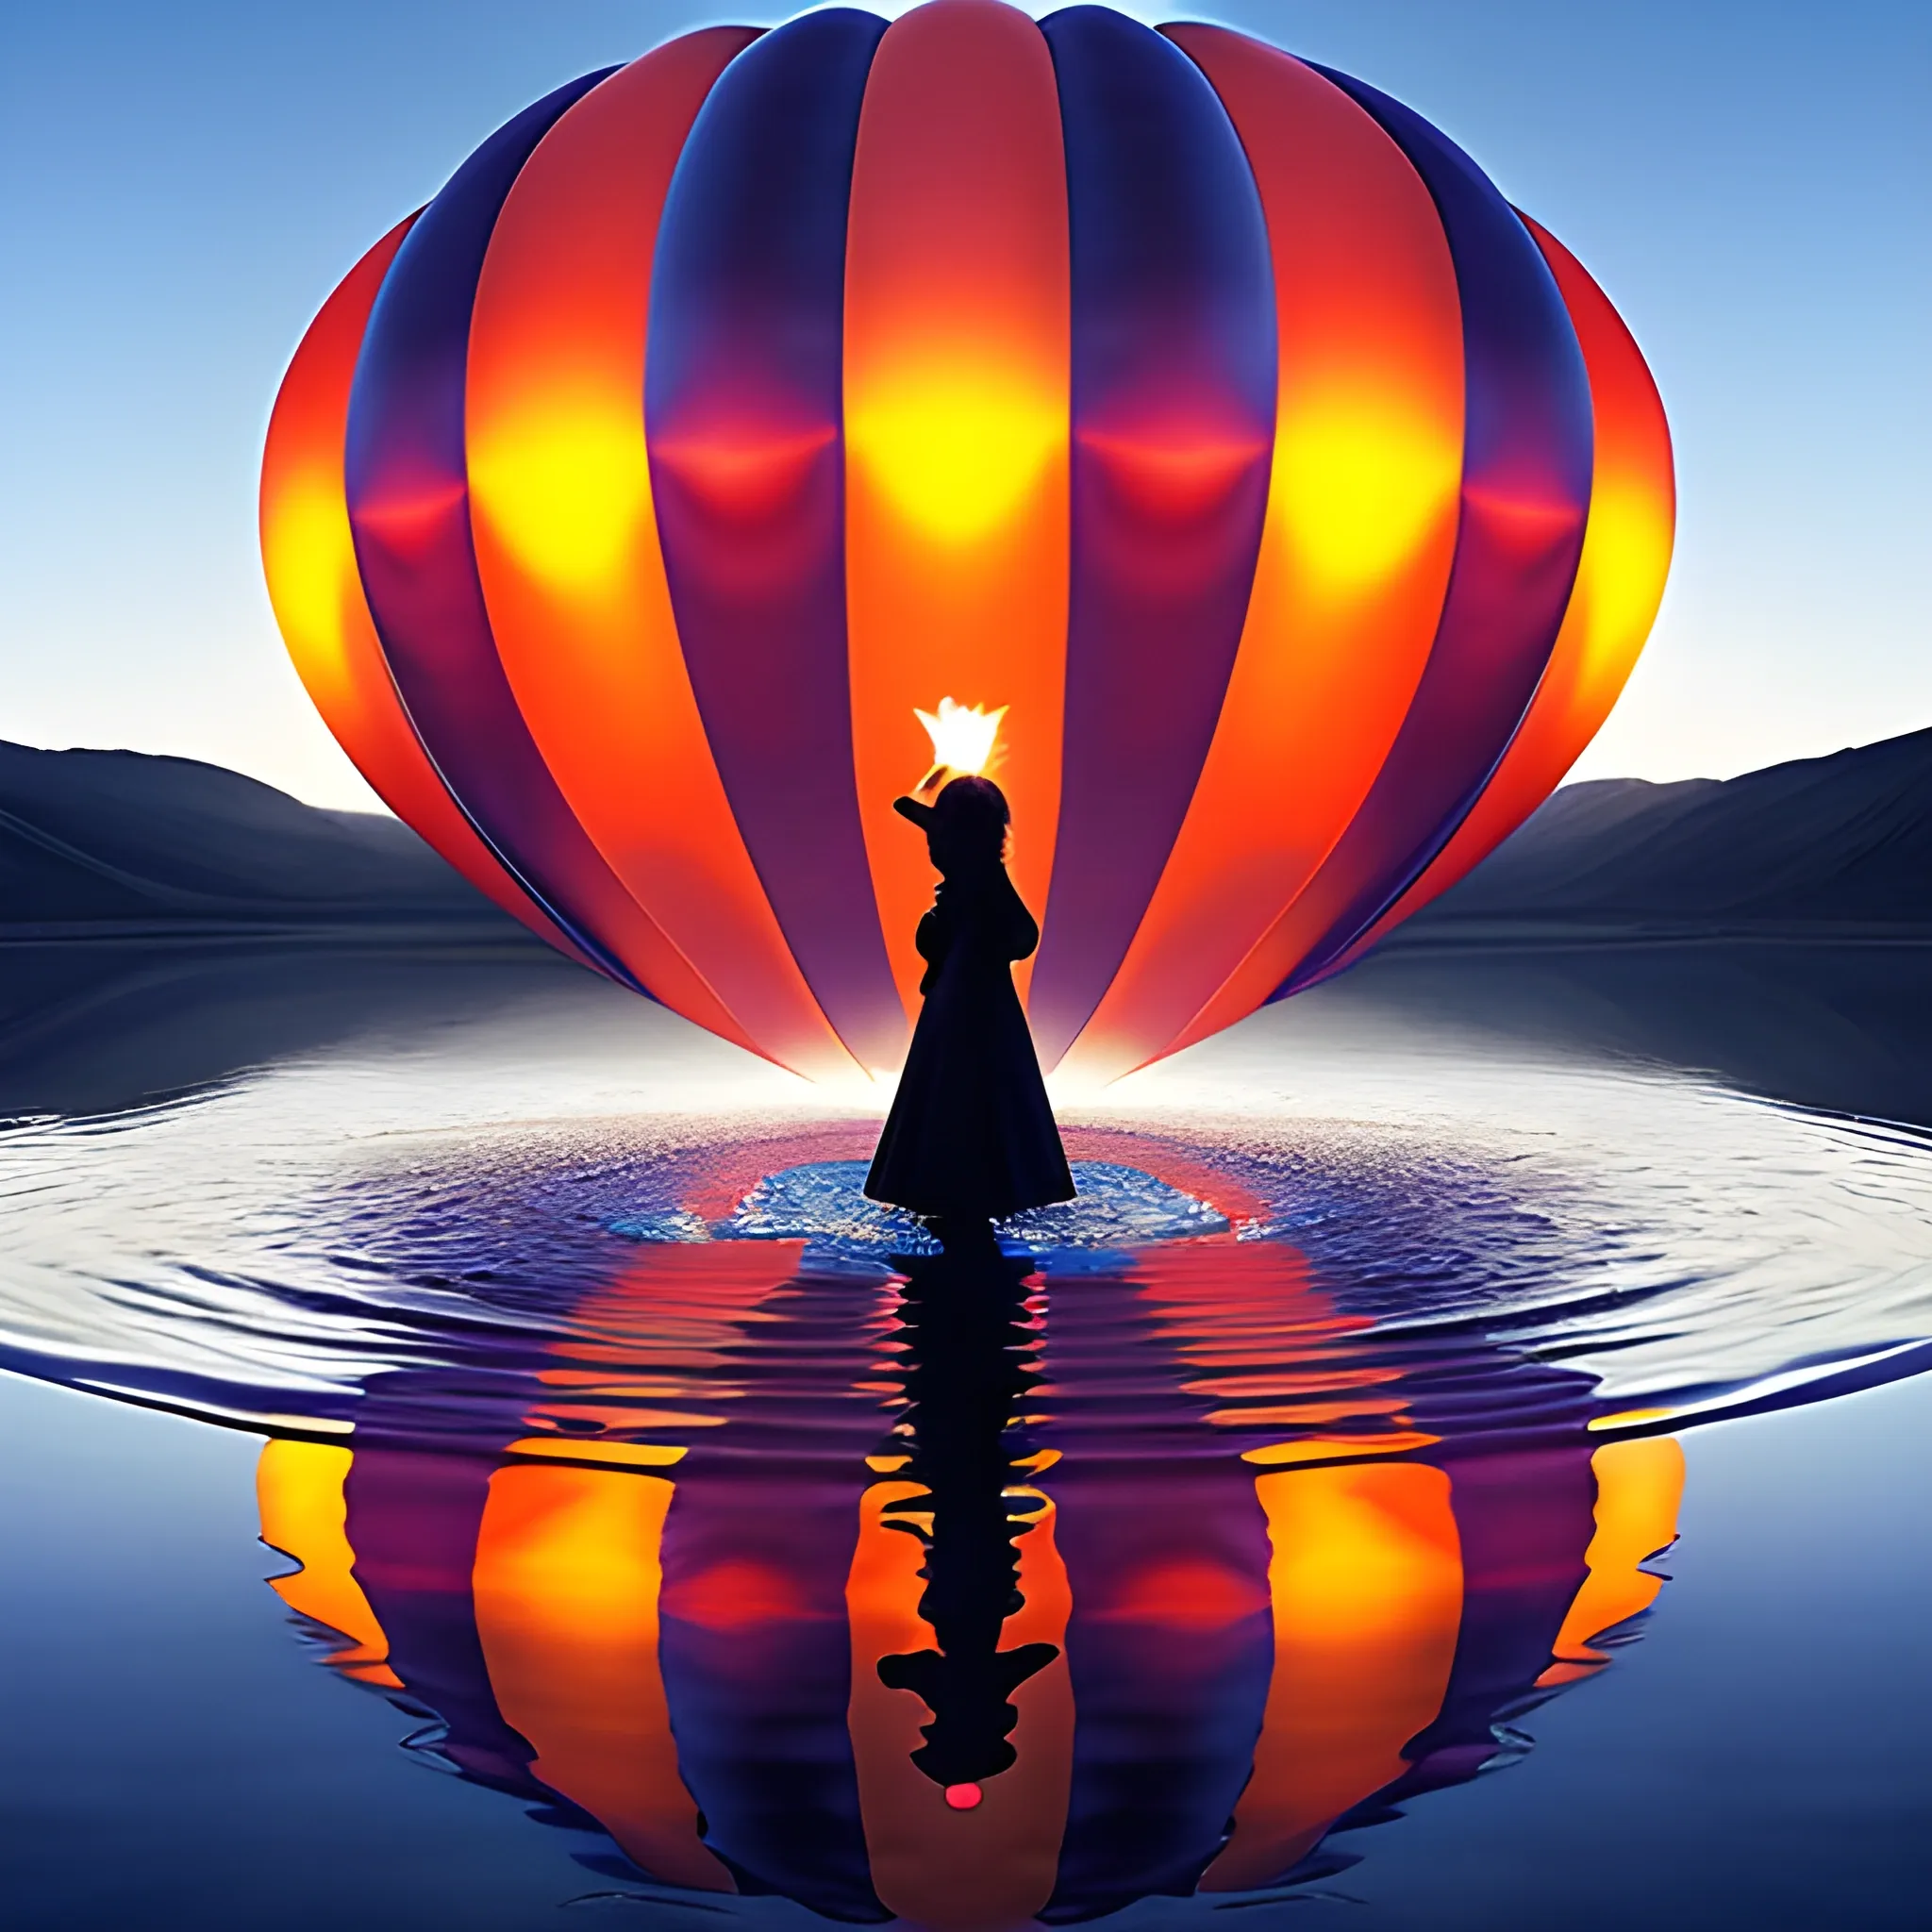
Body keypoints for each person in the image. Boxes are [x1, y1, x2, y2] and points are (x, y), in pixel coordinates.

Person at [865, 775, 1074, 1225]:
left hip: (972, 1016)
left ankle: (960, 1188)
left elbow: (1023, 937)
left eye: (938, 837)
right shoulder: (971, 889)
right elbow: (1019, 938)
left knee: (963, 1096)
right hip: (964, 1014)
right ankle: (962, 1187)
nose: (932, 849)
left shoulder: (981, 888)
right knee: (958, 1094)